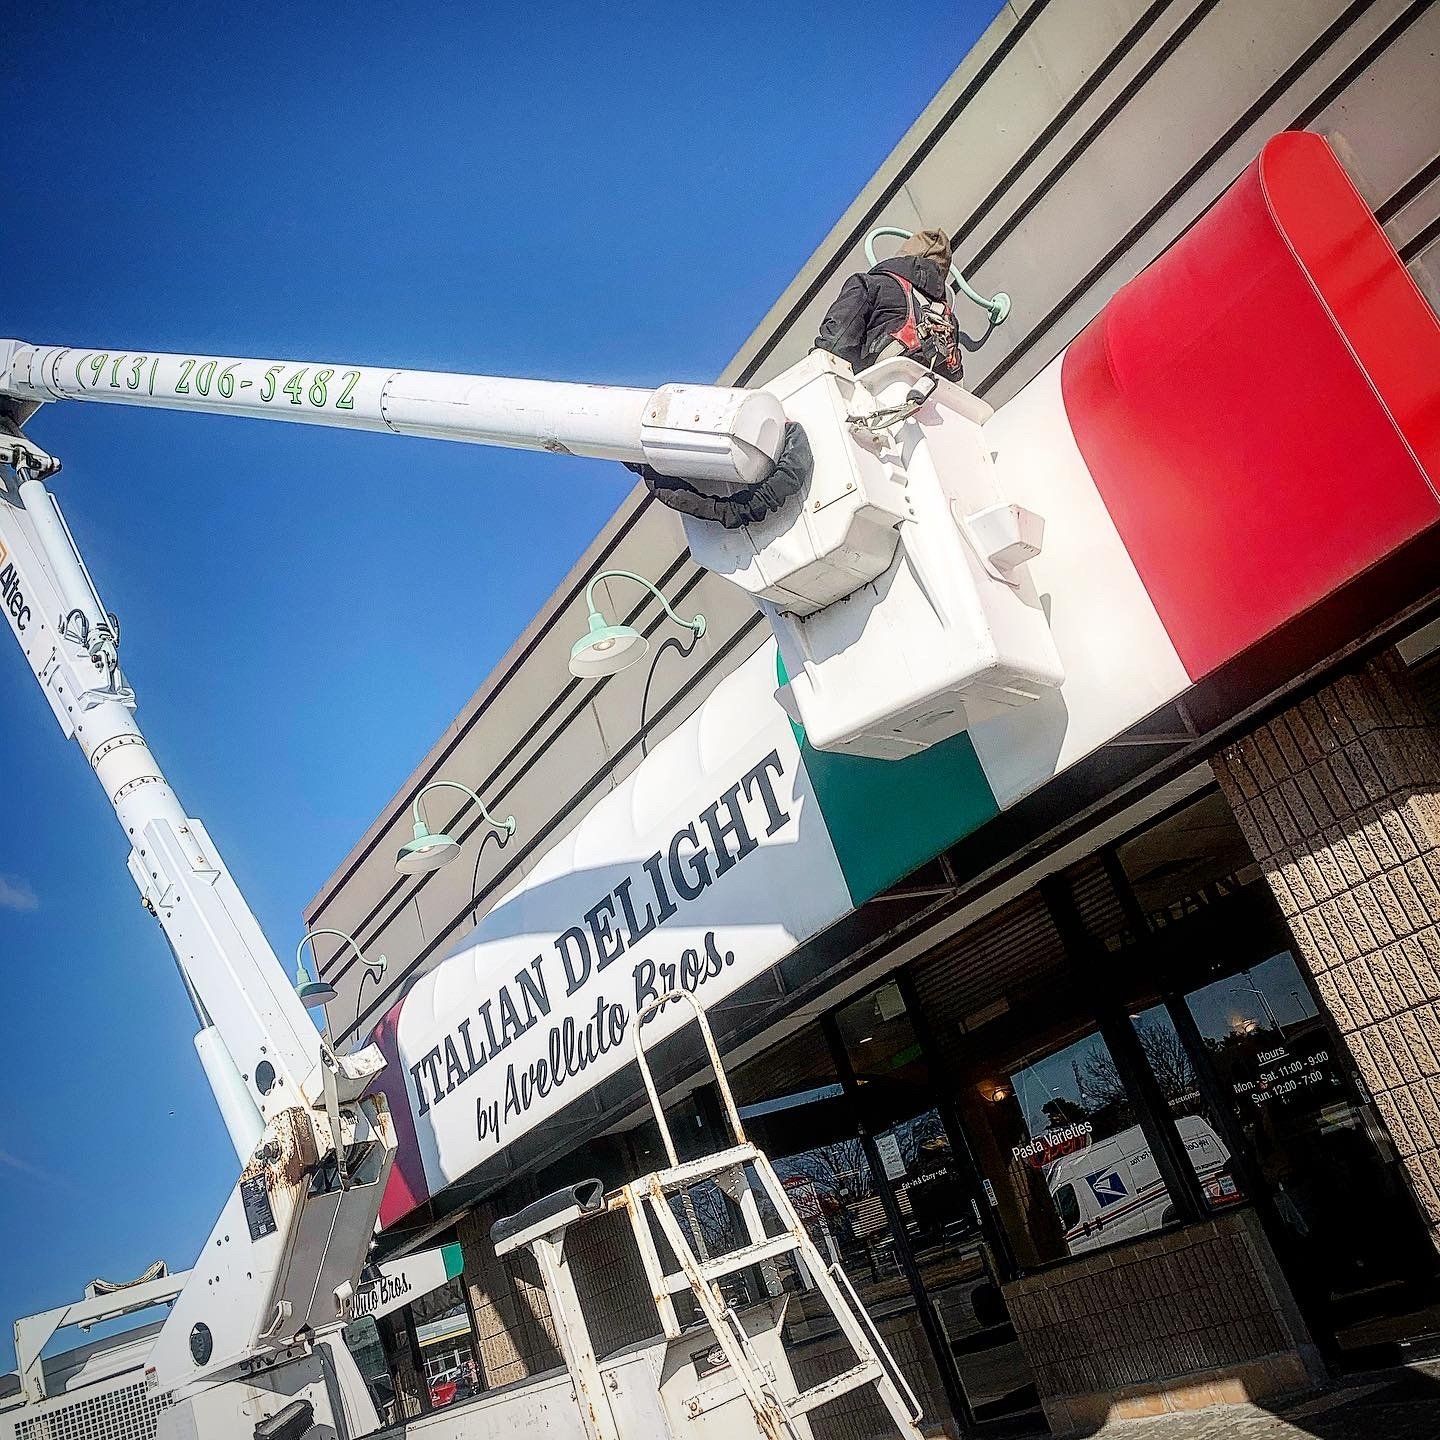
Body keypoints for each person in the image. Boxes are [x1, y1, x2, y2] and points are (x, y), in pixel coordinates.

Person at [813, 228, 964, 382]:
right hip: (928, 394)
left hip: (877, 390)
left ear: (903, 258)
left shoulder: (872, 284)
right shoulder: (949, 322)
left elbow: (834, 347)